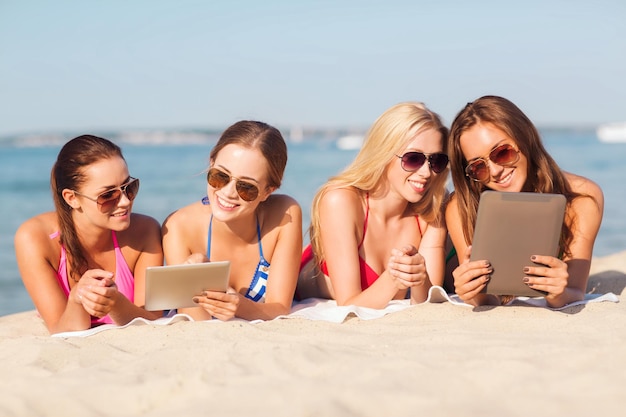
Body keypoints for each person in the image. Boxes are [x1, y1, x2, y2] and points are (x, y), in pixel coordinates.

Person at [446, 95, 604, 308]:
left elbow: (575, 291)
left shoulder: (582, 198)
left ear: (525, 136)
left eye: (502, 153)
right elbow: (489, 299)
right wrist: (474, 293)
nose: (495, 172)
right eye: (478, 167)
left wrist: (557, 293)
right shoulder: (461, 207)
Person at [298, 102, 450, 308]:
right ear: (384, 153)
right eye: (413, 158)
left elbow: (427, 303)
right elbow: (349, 304)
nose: (426, 172)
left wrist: (419, 279)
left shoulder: (432, 209)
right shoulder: (341, 201)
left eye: (436, 161)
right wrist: (393, 278)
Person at [14, 135, 164, 334]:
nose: (125, 202)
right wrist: (77, 300)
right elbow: (60, 329)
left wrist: (116, 302)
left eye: (129, 187)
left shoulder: (145, 231)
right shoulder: (35, 238)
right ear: (72, 198)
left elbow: (153, 319)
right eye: (108, 195)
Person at [162, 120, 302, 321]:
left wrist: (240, 306)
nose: (228, 193)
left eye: (246, 187)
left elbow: (280, 308)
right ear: (211, 164)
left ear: (268, 191)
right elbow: (197, 323)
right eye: (220, 176)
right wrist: (195, 279)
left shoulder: (284, 216)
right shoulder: (178, 227)